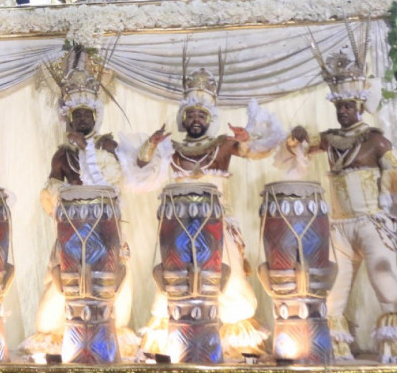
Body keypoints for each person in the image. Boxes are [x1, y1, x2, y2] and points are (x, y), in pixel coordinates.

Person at [286, 48, 397, 364]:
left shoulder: (376, 141)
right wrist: (298, 137)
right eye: (339, 106)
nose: (342, 112)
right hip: (339, 230)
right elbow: (298, 148)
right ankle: (332, 348)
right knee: (331, 292)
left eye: (348, 106)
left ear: (360, 107)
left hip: (372, 225)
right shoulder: (330, 139)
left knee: (385, 283)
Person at [127, 69, 284, 361]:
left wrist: (247, 139)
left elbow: (257, 152)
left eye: (201, 115)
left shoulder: (222, 145)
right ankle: (167, 343)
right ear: (183, 120)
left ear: (208, 119)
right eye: (191, 115)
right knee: (172, 282)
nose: (196, 120)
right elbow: (140, 163)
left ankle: (237, 346)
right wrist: (151, 143)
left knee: (231, 279)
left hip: (218, 225)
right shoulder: (170, 150)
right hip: (177, 227)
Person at [21, 55, 139, 359]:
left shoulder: (108, 147)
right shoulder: (62, 155)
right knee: (58, 290)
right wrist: (68, 186)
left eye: (87, 115)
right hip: (73, 231)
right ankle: (66, 339)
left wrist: (89, 157)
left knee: (114, 280)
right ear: (68, 120)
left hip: (106, 227)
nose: (83, 121)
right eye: (77, 116)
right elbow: (51, 197)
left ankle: (105, 337)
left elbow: (116, 185)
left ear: (95, 117)